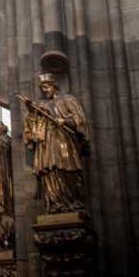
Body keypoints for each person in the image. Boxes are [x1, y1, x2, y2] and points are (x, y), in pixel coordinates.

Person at [21, 74, 89, 214]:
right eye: (42, 88)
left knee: (66, 167)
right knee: (50, 170)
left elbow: (78, 118)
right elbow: (33, 126)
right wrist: (31, 110)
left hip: (62, 139)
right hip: (46, 144)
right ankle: (55, 203)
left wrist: (64, 121)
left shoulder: (66, 99)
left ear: (54, 86)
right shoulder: (42, 106)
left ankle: (72, 201)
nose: (44, 90)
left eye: (46, 87)